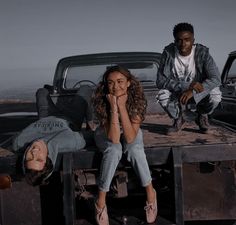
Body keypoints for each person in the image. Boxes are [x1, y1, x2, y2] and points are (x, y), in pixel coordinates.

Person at [92, 66, 157, 225]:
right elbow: (114, 139)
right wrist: (114, 107)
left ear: (128, 83)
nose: (115, 87)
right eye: (111, 83)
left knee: (134, 149)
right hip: (106, 133)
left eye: (120, 81)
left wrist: (122, 106)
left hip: (130, 130)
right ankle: (100, 201)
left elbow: (129, 137)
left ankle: (150, 193)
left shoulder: (137, 99)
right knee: (114, 150)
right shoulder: (101, 100)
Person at [11, 85, 94, 186]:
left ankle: (49, 89)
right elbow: (91, 137)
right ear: (48, 159)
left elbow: (15, 141)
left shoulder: (19, 143)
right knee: (86, 89)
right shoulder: (71, 142)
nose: (34, 152)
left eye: (29, 158)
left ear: (24, 158)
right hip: (71, 117)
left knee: (41, 91)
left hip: (47, 115)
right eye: (39, 159)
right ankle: (90, 122)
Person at [156, 22, 222, 134]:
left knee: (216, 94)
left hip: (199, 91)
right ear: (175, 41)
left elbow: (216, 79)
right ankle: (178, 118)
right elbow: (160, 81)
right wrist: (186, 86)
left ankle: (202, 115)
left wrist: (193, 91)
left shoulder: (202, 53)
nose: (183, 44)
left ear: (193, 40)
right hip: (177, 91)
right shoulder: (168, 53)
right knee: (162, 95)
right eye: (179, 40)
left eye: (187, 39)